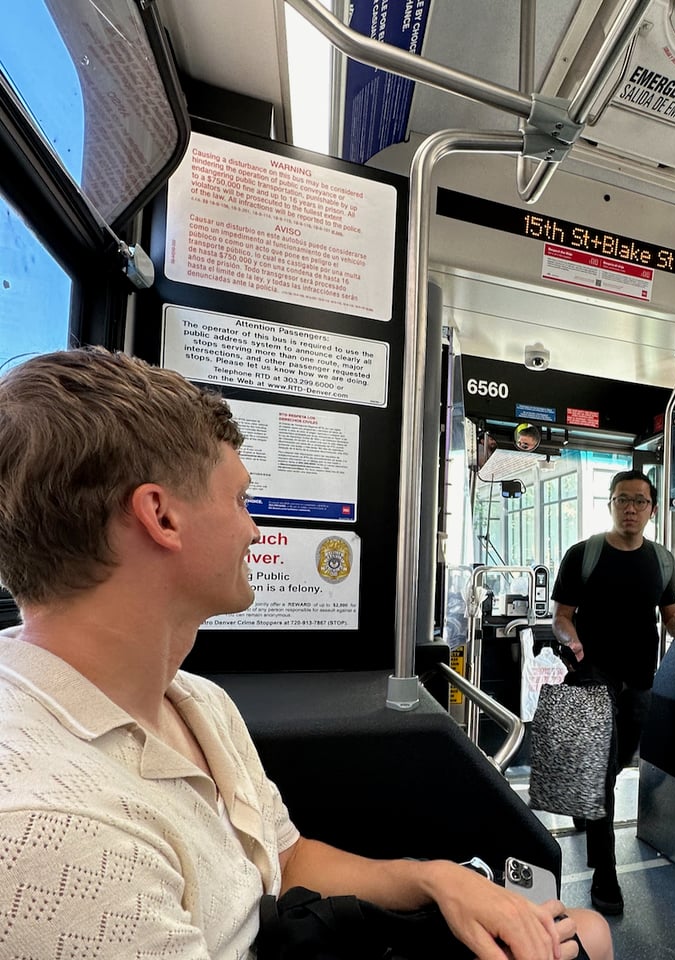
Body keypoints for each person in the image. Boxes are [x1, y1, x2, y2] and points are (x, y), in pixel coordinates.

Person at [0, 347, 613, 960]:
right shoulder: (51, 834)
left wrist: (436, 878)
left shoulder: (198, 703)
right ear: (161, 515)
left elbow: (285, 858)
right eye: (239, 499)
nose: (255, 530)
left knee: (583, 929)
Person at [551, 470, 675, 917]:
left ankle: (585, 806)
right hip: (590, 675)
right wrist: (570, 639)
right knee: (600, 775)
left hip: (640, 680)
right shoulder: (584, 554)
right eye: (622, 500)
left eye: (640, 501)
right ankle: (605, 874)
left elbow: (671, 616)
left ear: (652, 509)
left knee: (615, 768)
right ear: (611, 505)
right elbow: (561, 615)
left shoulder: (662, 560)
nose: (631, 508)